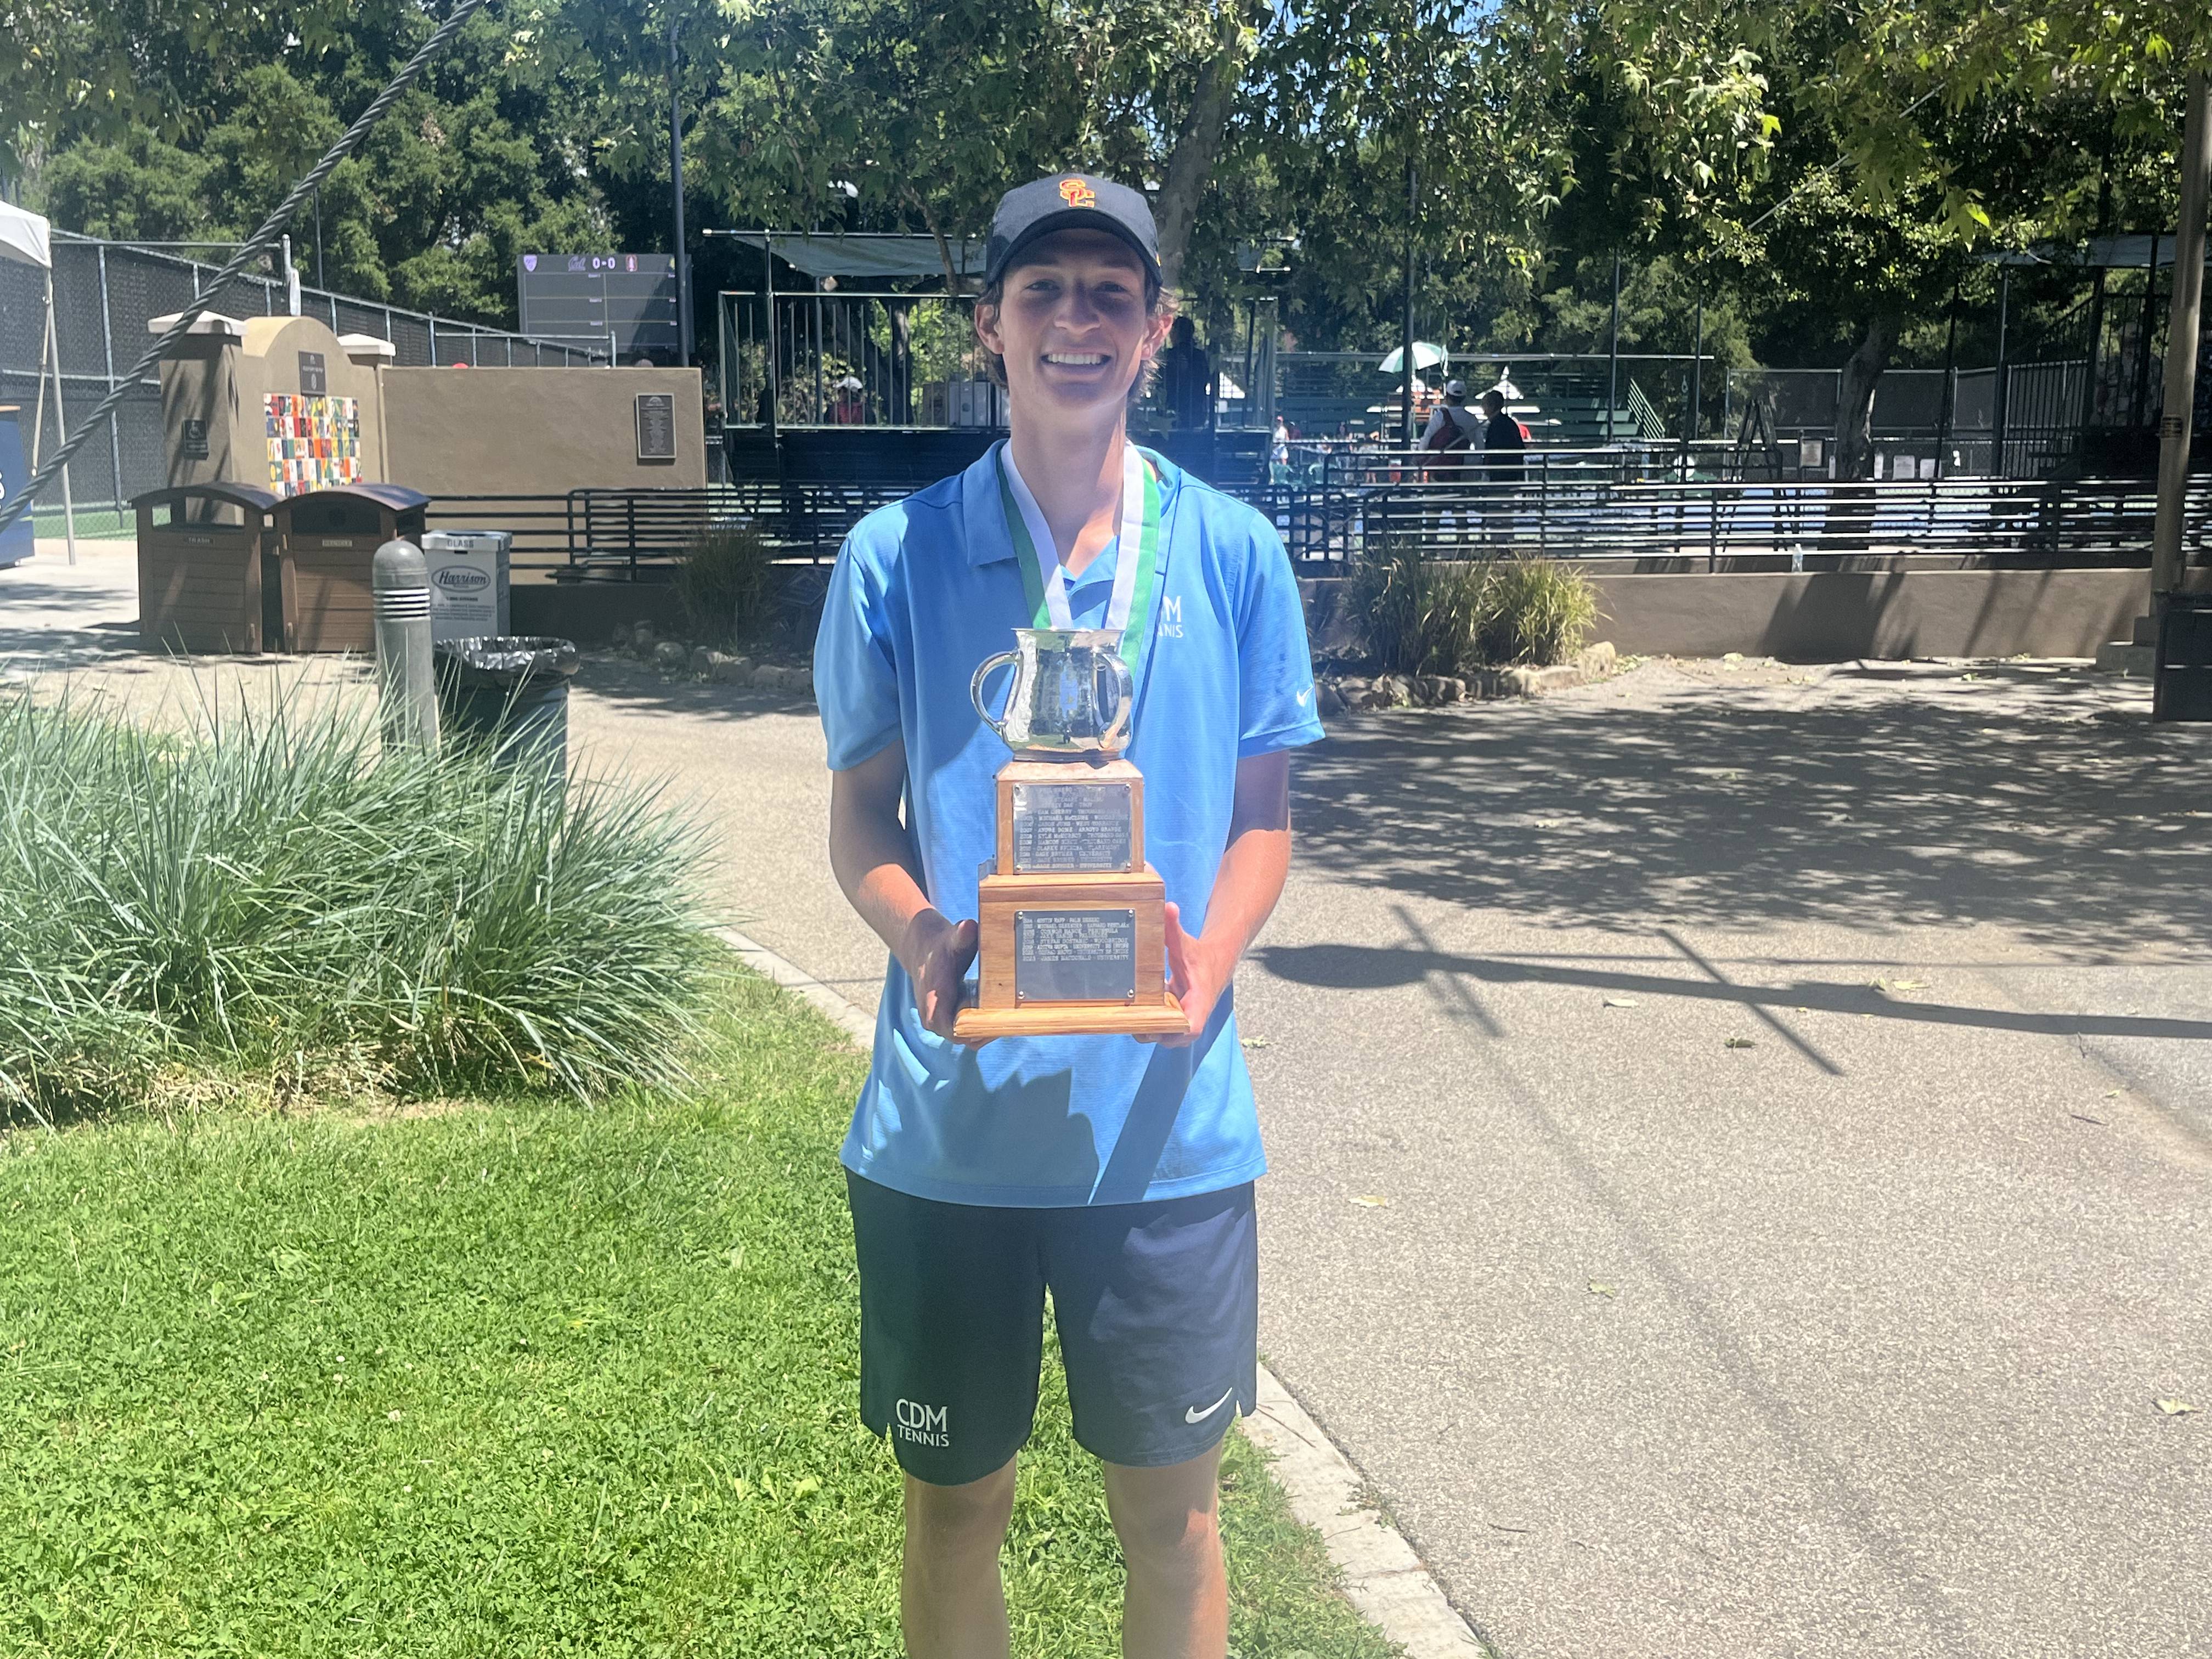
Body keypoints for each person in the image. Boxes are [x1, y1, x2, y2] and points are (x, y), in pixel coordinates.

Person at [813, 172, 1323, 1659]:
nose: (1077, 320)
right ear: (990, 326)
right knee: (956, 1509)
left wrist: (1201, 969)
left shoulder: (1234, 551)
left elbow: (1263, 821)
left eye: (1112, 292)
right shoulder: (892, 555)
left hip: (1165, 1130)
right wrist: (920, 934)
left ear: (1157, 330)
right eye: (1044, 291)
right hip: (947, 1135)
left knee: (1172, 1519)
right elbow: (862, 819)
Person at [1159, 314, 1216, 430]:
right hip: (1197, 413)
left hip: (1170, 413)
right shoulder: (1200, 356)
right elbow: (1206, 379)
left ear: (1175, 333)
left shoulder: (1169, 356)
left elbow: (1160, 382)